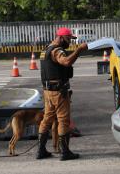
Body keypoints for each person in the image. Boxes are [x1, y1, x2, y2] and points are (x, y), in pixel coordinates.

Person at [37, 27, 88, 160]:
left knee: (47, 119)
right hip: (58, 92)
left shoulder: (46, 49)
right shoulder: (57, 50)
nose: (69, 42)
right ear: (60, 37)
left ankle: (40, 151)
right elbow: (66, 62)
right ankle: (65, 152)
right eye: (68, 39)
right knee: (63, 120)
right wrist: (79, 50)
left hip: (48, 92)